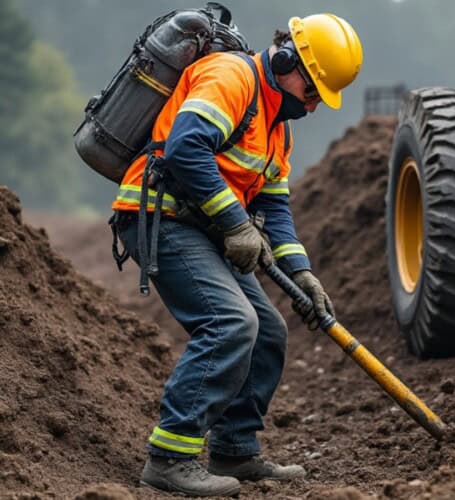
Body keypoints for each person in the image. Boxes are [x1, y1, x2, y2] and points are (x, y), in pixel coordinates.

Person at [110, 13, 362, 497]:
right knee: (230, 324)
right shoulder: (231, 76)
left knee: (268, 332)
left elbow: (274, 205)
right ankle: (170, 457)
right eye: (312, 93)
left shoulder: (276, 126)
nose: (311, 108)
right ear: (288, 61)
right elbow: (186, 148)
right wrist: (235, 223)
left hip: (205, 226)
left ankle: (235, 449)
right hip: (163, 218)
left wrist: (302, 273)